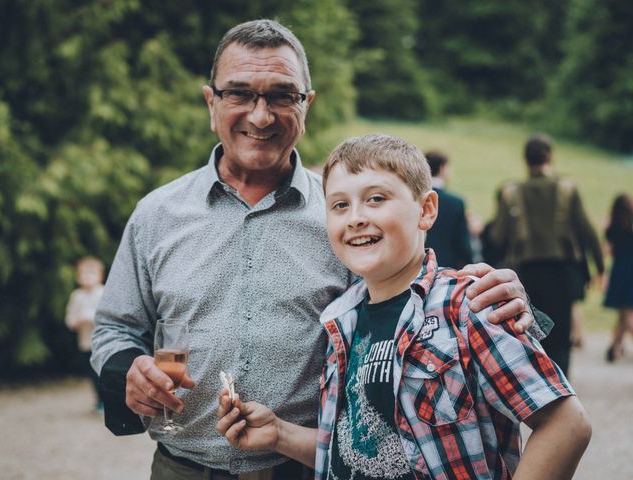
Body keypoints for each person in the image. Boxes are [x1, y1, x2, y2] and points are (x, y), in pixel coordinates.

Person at [91, 20, 549, 479]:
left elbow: (413, 298)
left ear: (306, 105)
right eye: (239, 93)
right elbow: (116, 326)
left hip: (305, 467)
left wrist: (501, 297)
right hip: (180, 468)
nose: (260, 115)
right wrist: (128, 370)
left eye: (281, 95)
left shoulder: (341, 219)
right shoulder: (157, 213)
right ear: (211, 102)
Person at [216, 134, 591, 480]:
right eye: (340, 205)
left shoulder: (468, 305)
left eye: (376, 198)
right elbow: (354, 452)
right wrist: (279, 434)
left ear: (426, 210)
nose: (357, 217)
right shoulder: (340, 324)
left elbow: (566, 425)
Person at [488, 134, 604, 375]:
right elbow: (587, 230)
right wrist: (600, 267)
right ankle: (563, 382)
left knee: (531, 327)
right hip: (562, 271)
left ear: (525, 159)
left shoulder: (511, 192)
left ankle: (538, 381)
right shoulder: (566, 188)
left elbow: (498, 236)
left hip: (526, 273)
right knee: (561, 331)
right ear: (549, 156)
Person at [65, 256, 105, 412]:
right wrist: (76, 321)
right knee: (93, 374)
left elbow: (106, 316)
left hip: (103, 342)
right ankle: (100, 400)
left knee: (105, 372)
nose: (88, 277)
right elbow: (70, 319)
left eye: (92, 273)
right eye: (84, 273)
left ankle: (110, 399)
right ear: (78, 276)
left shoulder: (103, 293)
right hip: (86, 343)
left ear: (100, 276)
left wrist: (87, 316)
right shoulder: (76, 296)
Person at [424, 150, 473, 269]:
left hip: (419, 265)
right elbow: (462, 242)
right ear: (442, 168)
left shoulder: (415, 199)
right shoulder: (455, 202)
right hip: (447, 268)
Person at [604, 193, 633, 362]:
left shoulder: (613, 228)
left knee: (626, 313)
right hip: (630, 272)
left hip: (620, 273)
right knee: (624, 314)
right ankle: (614, 347)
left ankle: (614, 347)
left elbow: (609, 250)